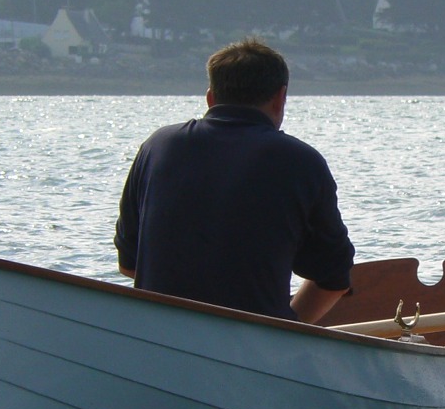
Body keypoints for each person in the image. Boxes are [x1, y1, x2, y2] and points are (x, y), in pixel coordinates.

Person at [114, 38, 354, 323]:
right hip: (253, 346)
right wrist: (286, 332)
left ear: (210, 98)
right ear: (280, 98)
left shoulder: (158, 146)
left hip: (160, 335)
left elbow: (130, 264)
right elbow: (335, 278)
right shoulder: (300, 160)